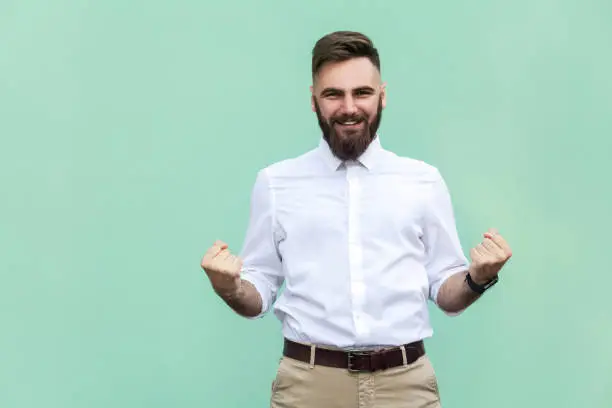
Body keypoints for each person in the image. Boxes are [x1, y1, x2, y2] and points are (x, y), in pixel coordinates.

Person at [201, 31, 512, 408]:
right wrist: (229, 287)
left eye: (361, 93)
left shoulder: (423, 181)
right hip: (309, 387)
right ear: (314, 101)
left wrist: (478, 278)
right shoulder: (275, 183)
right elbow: (260, 287)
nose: (349, 107)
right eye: (333, 94)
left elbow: (446, 291)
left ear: (382, 96)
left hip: (406, 385)